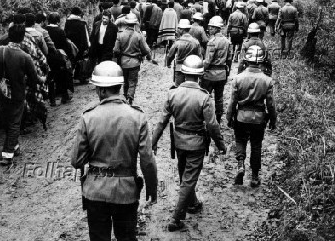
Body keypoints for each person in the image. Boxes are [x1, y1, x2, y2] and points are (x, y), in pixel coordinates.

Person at [71, 61, 157, 241]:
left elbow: (77, 161)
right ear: (119, 86)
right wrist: (151, 187)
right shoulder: (137, 116)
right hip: (126, 193)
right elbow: (147, 159)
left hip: (95, 192)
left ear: (102, 90)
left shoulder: (88, 117)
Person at [152, 55, 226, 232]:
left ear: (183, 73)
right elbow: (212, 125)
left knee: (185, 174)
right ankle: (176, 218)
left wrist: (153, 142)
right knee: (189, 179)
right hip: (197, 144)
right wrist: (220, 143)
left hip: (179, 142)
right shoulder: (204, 97)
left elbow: (162, 121)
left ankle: (192, 203)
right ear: (200, 76)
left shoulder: (172, 93)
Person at [0, 23, 39, 165]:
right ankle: (7, 154)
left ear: (8, 34)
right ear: (22, 37)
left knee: (7, 120)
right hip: (17, 94)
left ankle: (15, 146)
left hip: (0, 93)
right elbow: (33, 78)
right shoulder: (25, 57)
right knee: (14, 123)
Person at [226, 45, 277, 187]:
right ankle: (254, 176)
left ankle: (240, 163)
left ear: (246, 60)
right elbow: (271, 104)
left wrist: (229, 118)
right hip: (259, 118)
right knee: (256, 145)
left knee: (240, 141)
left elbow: (232, 102)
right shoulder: (267, 80)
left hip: (241, 116)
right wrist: (273, 120)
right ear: (261, 62)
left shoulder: (237, 79)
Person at [113, 18, 153, 104]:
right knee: (132, 81)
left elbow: (116, 50)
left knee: (125, 81)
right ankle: (130, 97)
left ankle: (125, 95)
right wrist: (146, 56)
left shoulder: (120, 35)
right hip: (135, 62)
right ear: (134, 24)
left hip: (123, 62)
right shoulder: (138, 36)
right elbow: (146, 50)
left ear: (126, 24)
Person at [201, 16, 233, 123]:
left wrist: (200, 71)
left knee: (204, 97)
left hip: (210, 74)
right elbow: (229, 60)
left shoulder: (212, 42)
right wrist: (226, 73)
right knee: (219, 98)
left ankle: (204, 118)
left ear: (216, 29)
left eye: (211, 27)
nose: (209, 29)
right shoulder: (227, 42)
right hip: (222, 74)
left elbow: (207, 61)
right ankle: (218, 120)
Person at [46, 12, 73, 106]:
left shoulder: (45, 30)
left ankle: (52, 100)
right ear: (58, 20)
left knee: (50, 77)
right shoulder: (60, 31)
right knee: (62, 76)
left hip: (48, 56)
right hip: (59, 56)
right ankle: (64, 96)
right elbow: (65, 45)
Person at [166, 19, 201, 86]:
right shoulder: (195, 42)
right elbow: (199, 57)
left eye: (179, 28)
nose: (178, 30)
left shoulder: (178, 42)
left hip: (179, 68)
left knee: (178, 87)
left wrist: (168, 63)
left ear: (182, 30)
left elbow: (170, 55)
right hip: (192, 68)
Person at [64, 7, 91, 82]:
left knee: (72, 61)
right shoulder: (82, 23)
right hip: (80, 46)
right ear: (79, 14)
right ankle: (80, 77)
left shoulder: (67, 22)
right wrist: (87, 47)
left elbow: (65, 33)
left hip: (70, 45)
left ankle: (68, 78)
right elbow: (86, 36)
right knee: (81, 61)